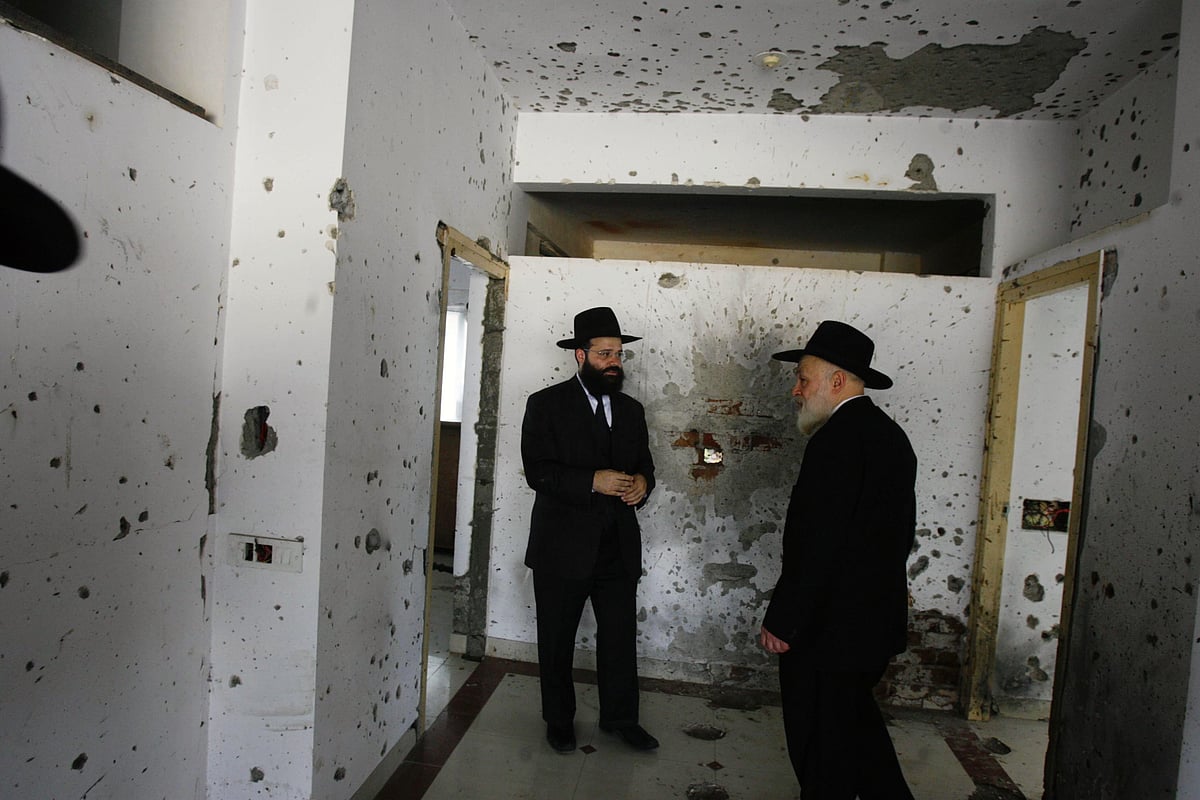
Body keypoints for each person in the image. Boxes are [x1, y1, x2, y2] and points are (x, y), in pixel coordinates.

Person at [759, 319, 917, 799]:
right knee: (855, 730)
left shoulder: (836, 443)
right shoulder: (890, 437)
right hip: (869, 626)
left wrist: (783, 621)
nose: (796, 390)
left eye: (803, 379)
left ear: (836, 381)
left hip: (829, 631)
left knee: (821, 745)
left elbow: (818, 545)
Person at [521, 306, 659, 754]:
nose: (614, 362)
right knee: (557, 639)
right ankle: (559, 719)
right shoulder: (544, 405)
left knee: (619, 638)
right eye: (604, 354)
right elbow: (537, 472)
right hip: (562, 547)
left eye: (618, 353)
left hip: (617, 546)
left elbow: (646, 469)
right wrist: (591, 481)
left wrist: (642, 485)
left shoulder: (632, 410)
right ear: (579, 356)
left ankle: (621, 718)